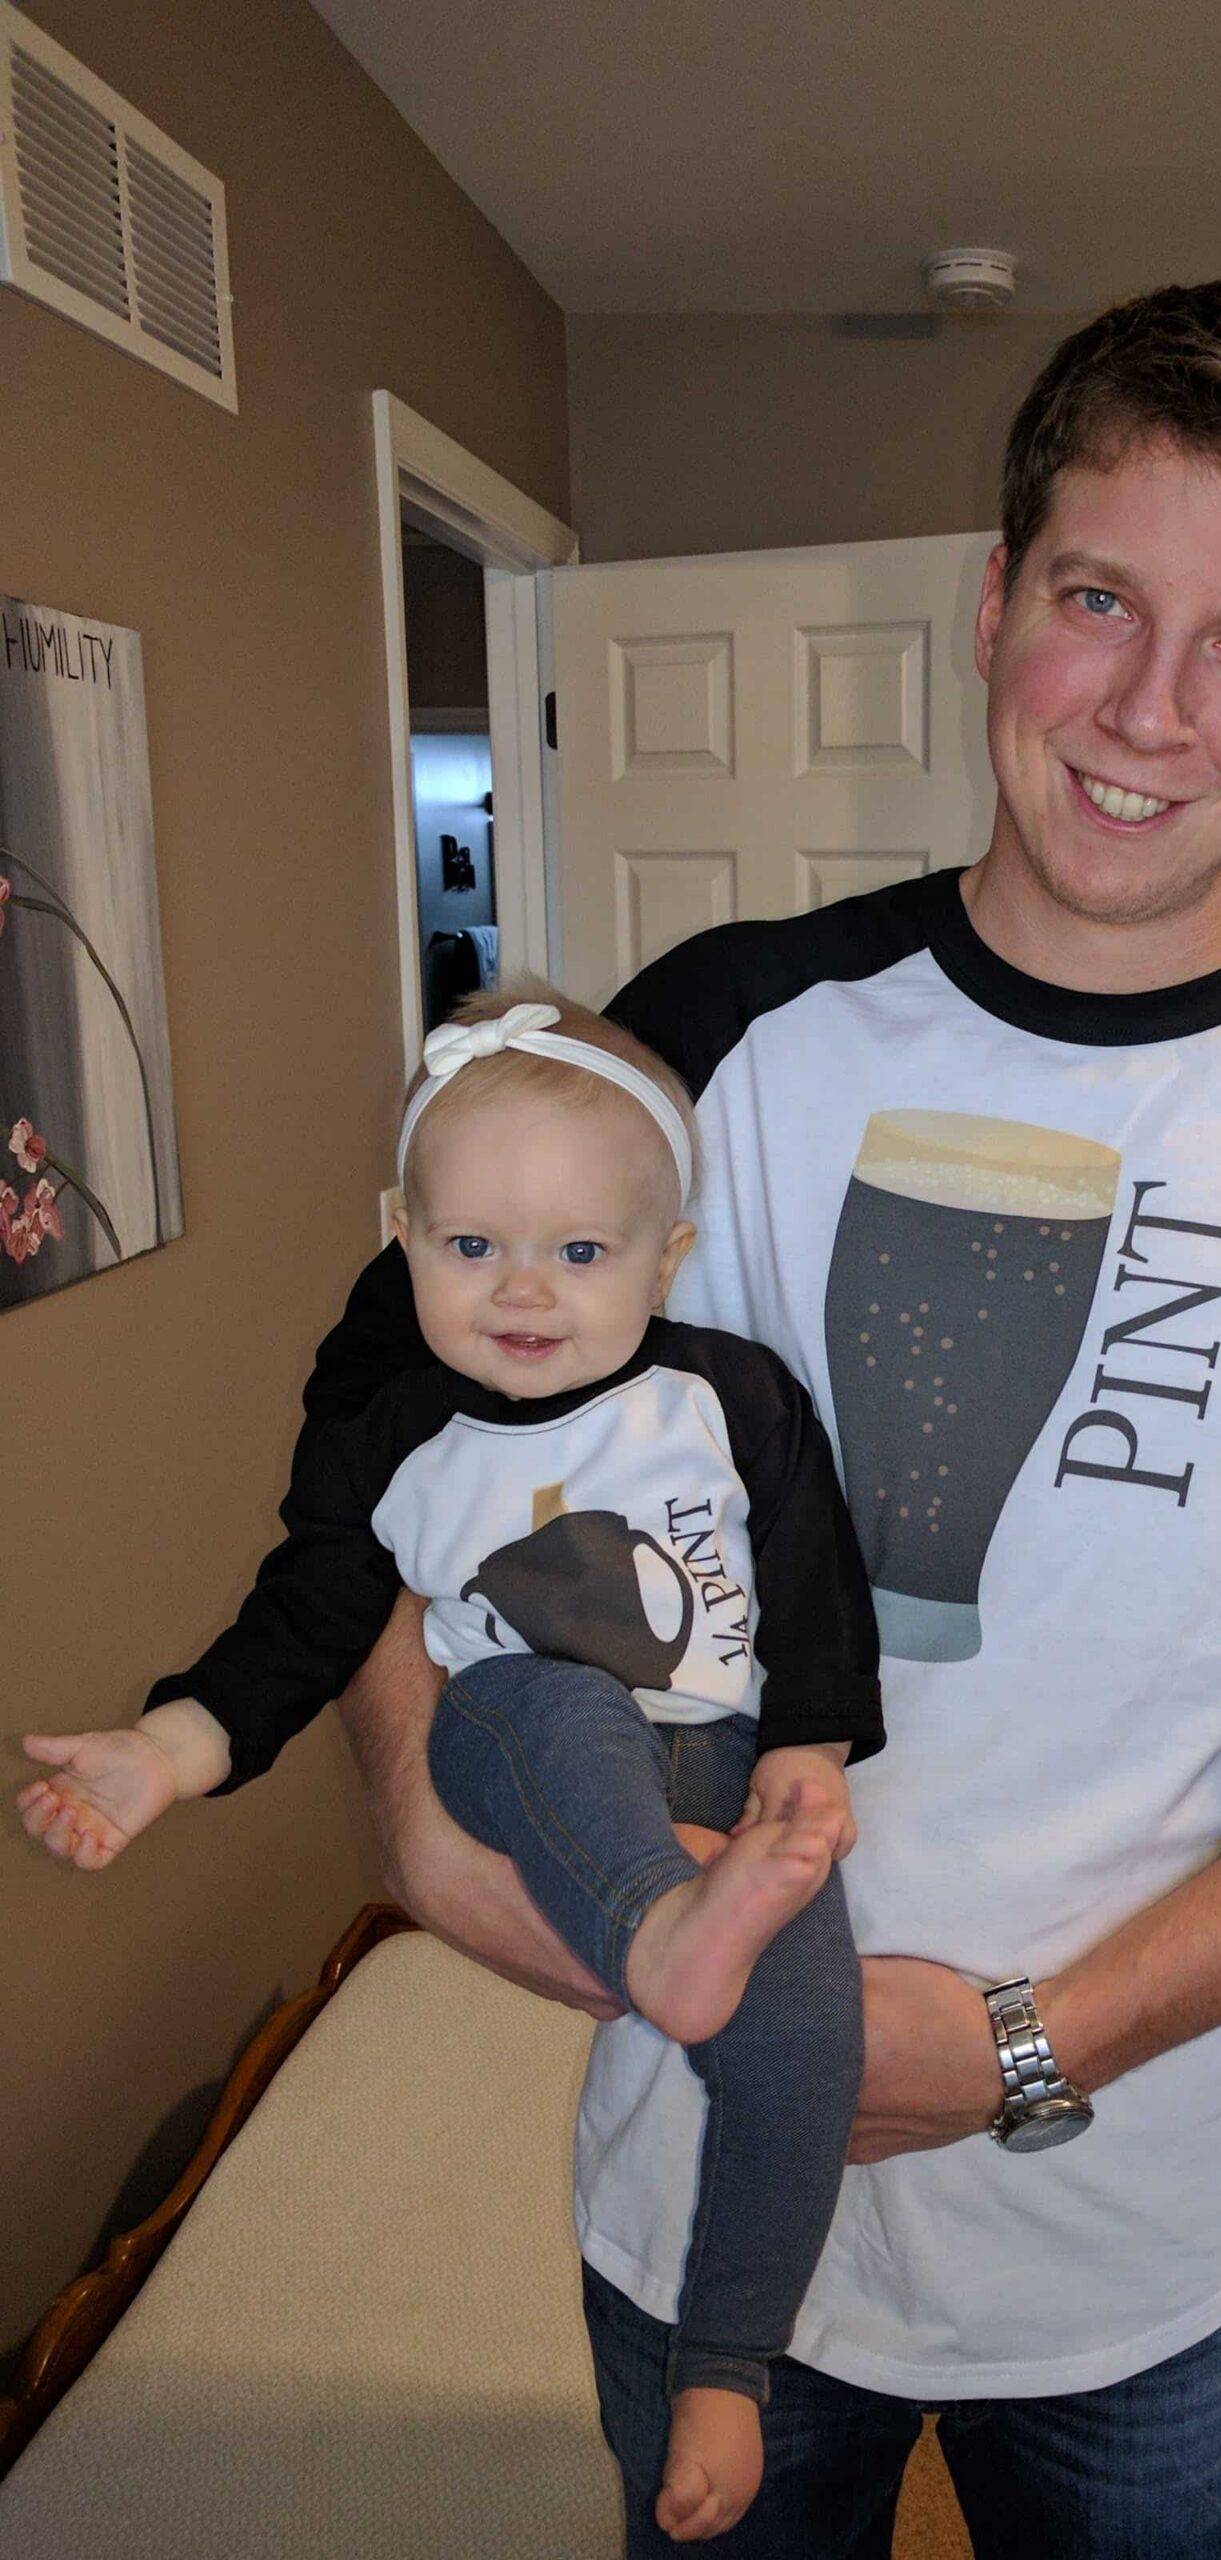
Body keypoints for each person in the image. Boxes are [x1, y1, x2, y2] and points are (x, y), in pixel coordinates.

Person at [100, 278, 1221, 2554]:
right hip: (702, 2196)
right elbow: (381, 1403)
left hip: (1143, 2245)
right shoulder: (730, 1022)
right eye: (1100, 598)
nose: (1154, 710)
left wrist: (1030, 2040)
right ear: (997, 606)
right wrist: (415, 1820)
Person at [15, 988, 884, 2544]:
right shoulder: (394, 1437)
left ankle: (728, 2363)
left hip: (729, 1763)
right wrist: (165, 1750)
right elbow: (306, 1615)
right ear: (398, 1235)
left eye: (582, 1251)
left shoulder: (728, 1397)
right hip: (522, 1756)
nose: (525, 1293)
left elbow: (818, 1587)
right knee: (551, 1704)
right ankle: (662, 1936)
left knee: (812, 2035)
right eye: (471, 1246)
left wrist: (809, 1756)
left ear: (666, 1256)